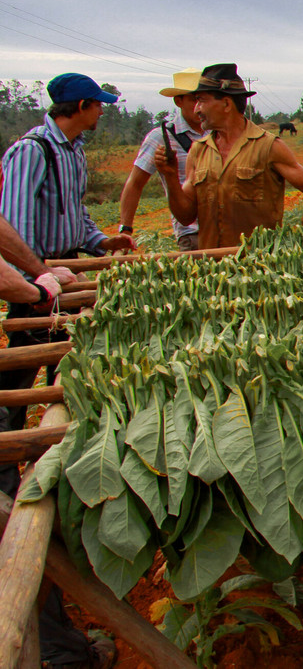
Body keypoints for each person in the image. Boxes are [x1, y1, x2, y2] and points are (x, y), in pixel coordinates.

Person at [0, 71, 126, 667]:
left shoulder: (72, 152)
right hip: (37, 288)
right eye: (98, 105)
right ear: (80, 106)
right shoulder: (31, 151)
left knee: (49, 391)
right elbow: (16, 229)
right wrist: (35, 285)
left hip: (58, 279)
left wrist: (100, 246)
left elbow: (71, 220)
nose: (102, 113)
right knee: (21, 404)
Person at [154, 63, 303, 248]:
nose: (197, 110)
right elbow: (186, 217)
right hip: (213, 269)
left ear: (226, 104)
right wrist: (170, 177)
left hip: (258, 266)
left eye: (202, 101)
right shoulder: (198, 151)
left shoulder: (268, 146)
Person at [117, 68, 204, 250]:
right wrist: (125, 229)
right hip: (192, 233)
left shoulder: (219, 132)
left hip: (227, 228)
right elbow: (135, 183)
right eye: (193, 99)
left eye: (203, 98)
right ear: (178, 101)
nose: (199, 105)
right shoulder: (161, 138)